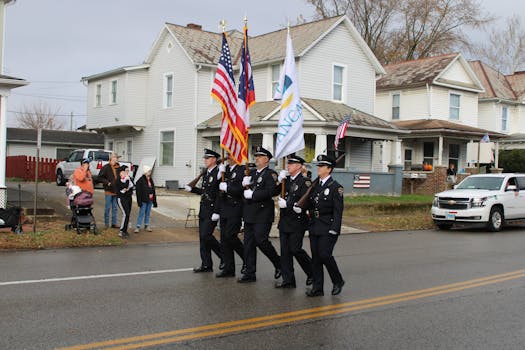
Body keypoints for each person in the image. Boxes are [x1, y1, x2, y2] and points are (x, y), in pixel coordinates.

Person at [294, 154, 345, 297]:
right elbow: (310, 203)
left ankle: (338, 280)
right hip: (315, 226)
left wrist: (335, 229)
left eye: (322, 166)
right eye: (319, 165)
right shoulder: (316, 186)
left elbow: (338, 211)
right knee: (316, 258)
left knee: (325, 255)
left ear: (329, 169)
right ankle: (318, 288)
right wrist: (300, 207)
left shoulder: (336, 188)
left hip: (328, 227)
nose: (319, 168)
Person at [238, 146, 281, 283]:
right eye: (256, 156)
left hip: (263, 214)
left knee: (261, 241)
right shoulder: (251, 173)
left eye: (260, 156)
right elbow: (243, 192)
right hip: (250, 213)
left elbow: (273, 191)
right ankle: (250, 273)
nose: (256, 158)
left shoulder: (270, 174)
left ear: (267, 159)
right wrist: (243, 185)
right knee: (248, 244)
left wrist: (254, 194)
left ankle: (278, 263)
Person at [275, 153, 313, 289]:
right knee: (285, 252)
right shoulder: (286, 180)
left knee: (295, 249)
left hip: (297, 222)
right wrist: (279, 180)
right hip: (285, 221)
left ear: (298, 166)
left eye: (291, 164)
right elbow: (274, 191)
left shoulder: (305, 182)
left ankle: (312, 272)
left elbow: (307, 201)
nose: (288, 166)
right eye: (288, 164)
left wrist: (289, 205)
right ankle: (288, 280)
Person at [185, 149, 224, 273]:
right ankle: (206, 264)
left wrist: (217, 211)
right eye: (205, 158)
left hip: (213, 210)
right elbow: (204, 192)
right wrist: (192, 189)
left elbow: (219, 194)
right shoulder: (206, 173)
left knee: (206, 235)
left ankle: (224, 256)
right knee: (203, 239)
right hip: (204, 208)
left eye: (207, 158)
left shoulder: (219, 173)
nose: (205, 160)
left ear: (214, 160)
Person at [216, 153, 246, 278]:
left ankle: (247, 258)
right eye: (228, 155)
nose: (228, 157)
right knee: (224, 240)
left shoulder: (242, 170)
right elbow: (216, 189)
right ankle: (229, 268)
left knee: (231, 236)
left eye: (231, 155)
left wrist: (227, 187)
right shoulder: (225, 170)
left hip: (235, 207)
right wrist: (219, 175)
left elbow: (240, 190)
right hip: (224, 207)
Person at [97, 153, 120, 228]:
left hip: (116, 190)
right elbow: (99, 177)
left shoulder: (118, 167)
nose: (116, 159)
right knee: (107, 208)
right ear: (111, 159)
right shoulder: (106, 167)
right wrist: (107, 183)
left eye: (117, 158)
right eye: (115, 158)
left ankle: (114, 223)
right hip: (108, 190)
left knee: (115, 208)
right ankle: (106, 224)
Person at [134, 165, 157, 233]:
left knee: (148, 213)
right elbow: (138, 192)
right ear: (145, 172)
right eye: (148, 171)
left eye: (150, 171)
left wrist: (154, 201)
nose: (150, 172)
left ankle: (146, 225)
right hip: (143, 200)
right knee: (142, 213)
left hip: (150, 199)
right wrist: (139, 202)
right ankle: (138, 226)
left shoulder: (150, 179)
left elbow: (153, 190)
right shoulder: (140, 180)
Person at [116, 164, 134, 238]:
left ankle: (125, 230)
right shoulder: (118, 180)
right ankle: (121, 231)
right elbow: (124, 186)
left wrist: (127, 189)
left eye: (128, 171)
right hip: (121, 198)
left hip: (128, 198)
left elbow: (131, 187)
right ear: (121, 172)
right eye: (125, 171)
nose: (127, 172)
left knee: (128, 214)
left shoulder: (128, 178)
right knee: (125, 213)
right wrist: (126, 182)